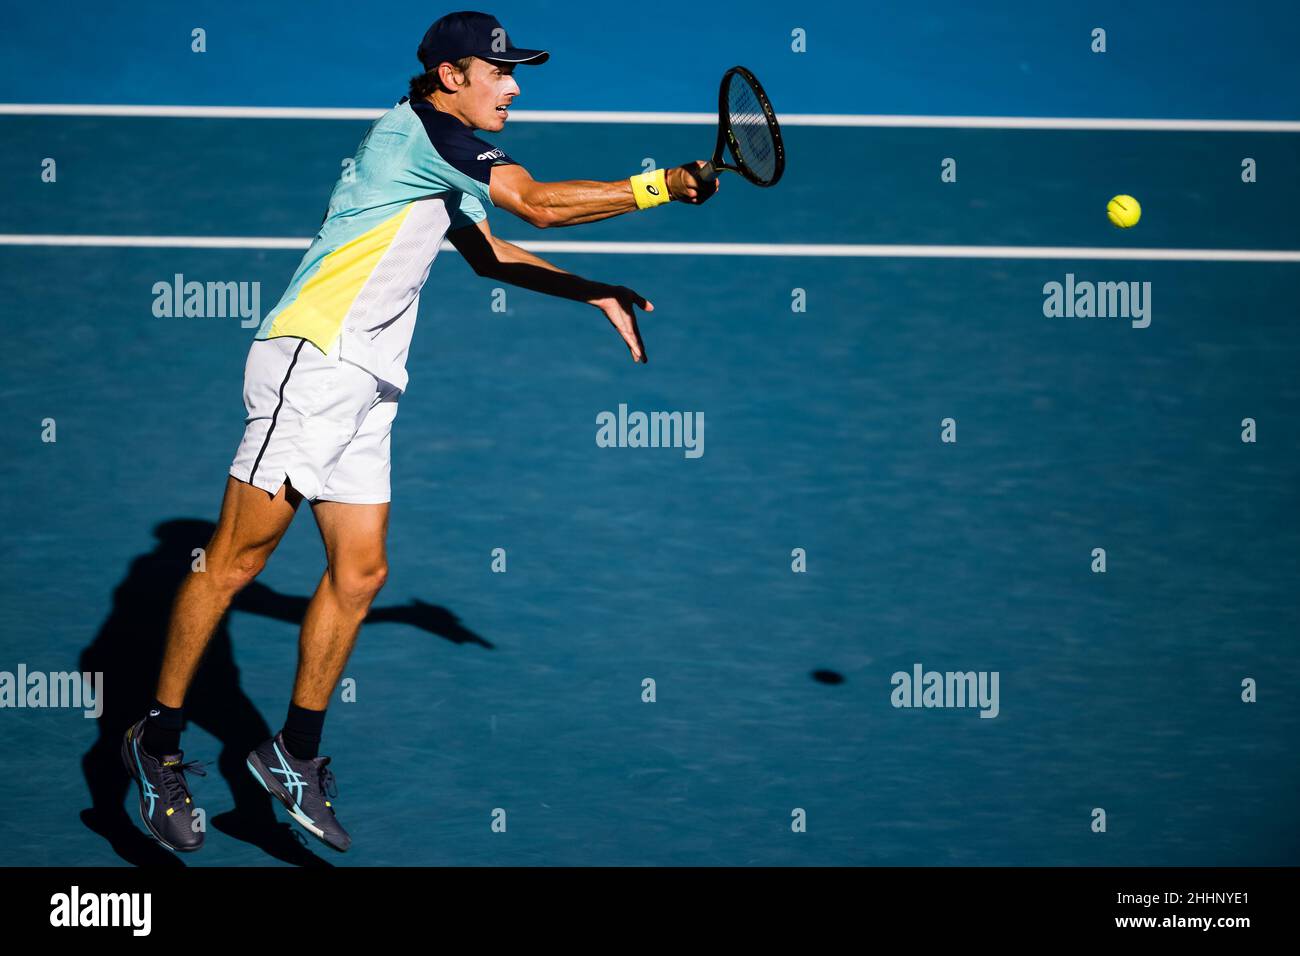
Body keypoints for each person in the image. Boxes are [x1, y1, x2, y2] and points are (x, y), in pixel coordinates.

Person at [122, 9, 718, 853]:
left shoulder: (440, 151)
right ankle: (157, 741)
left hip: (368, 382)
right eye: (498, 73)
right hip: (314, 363)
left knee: (360, 573)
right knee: (236, 560)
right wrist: (664, 185)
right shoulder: (431, 135)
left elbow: (493, 252)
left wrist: (592, 290)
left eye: (515, 74)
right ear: (451, 77)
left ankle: (291, 754)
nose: (513, 88)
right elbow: (540, 207)